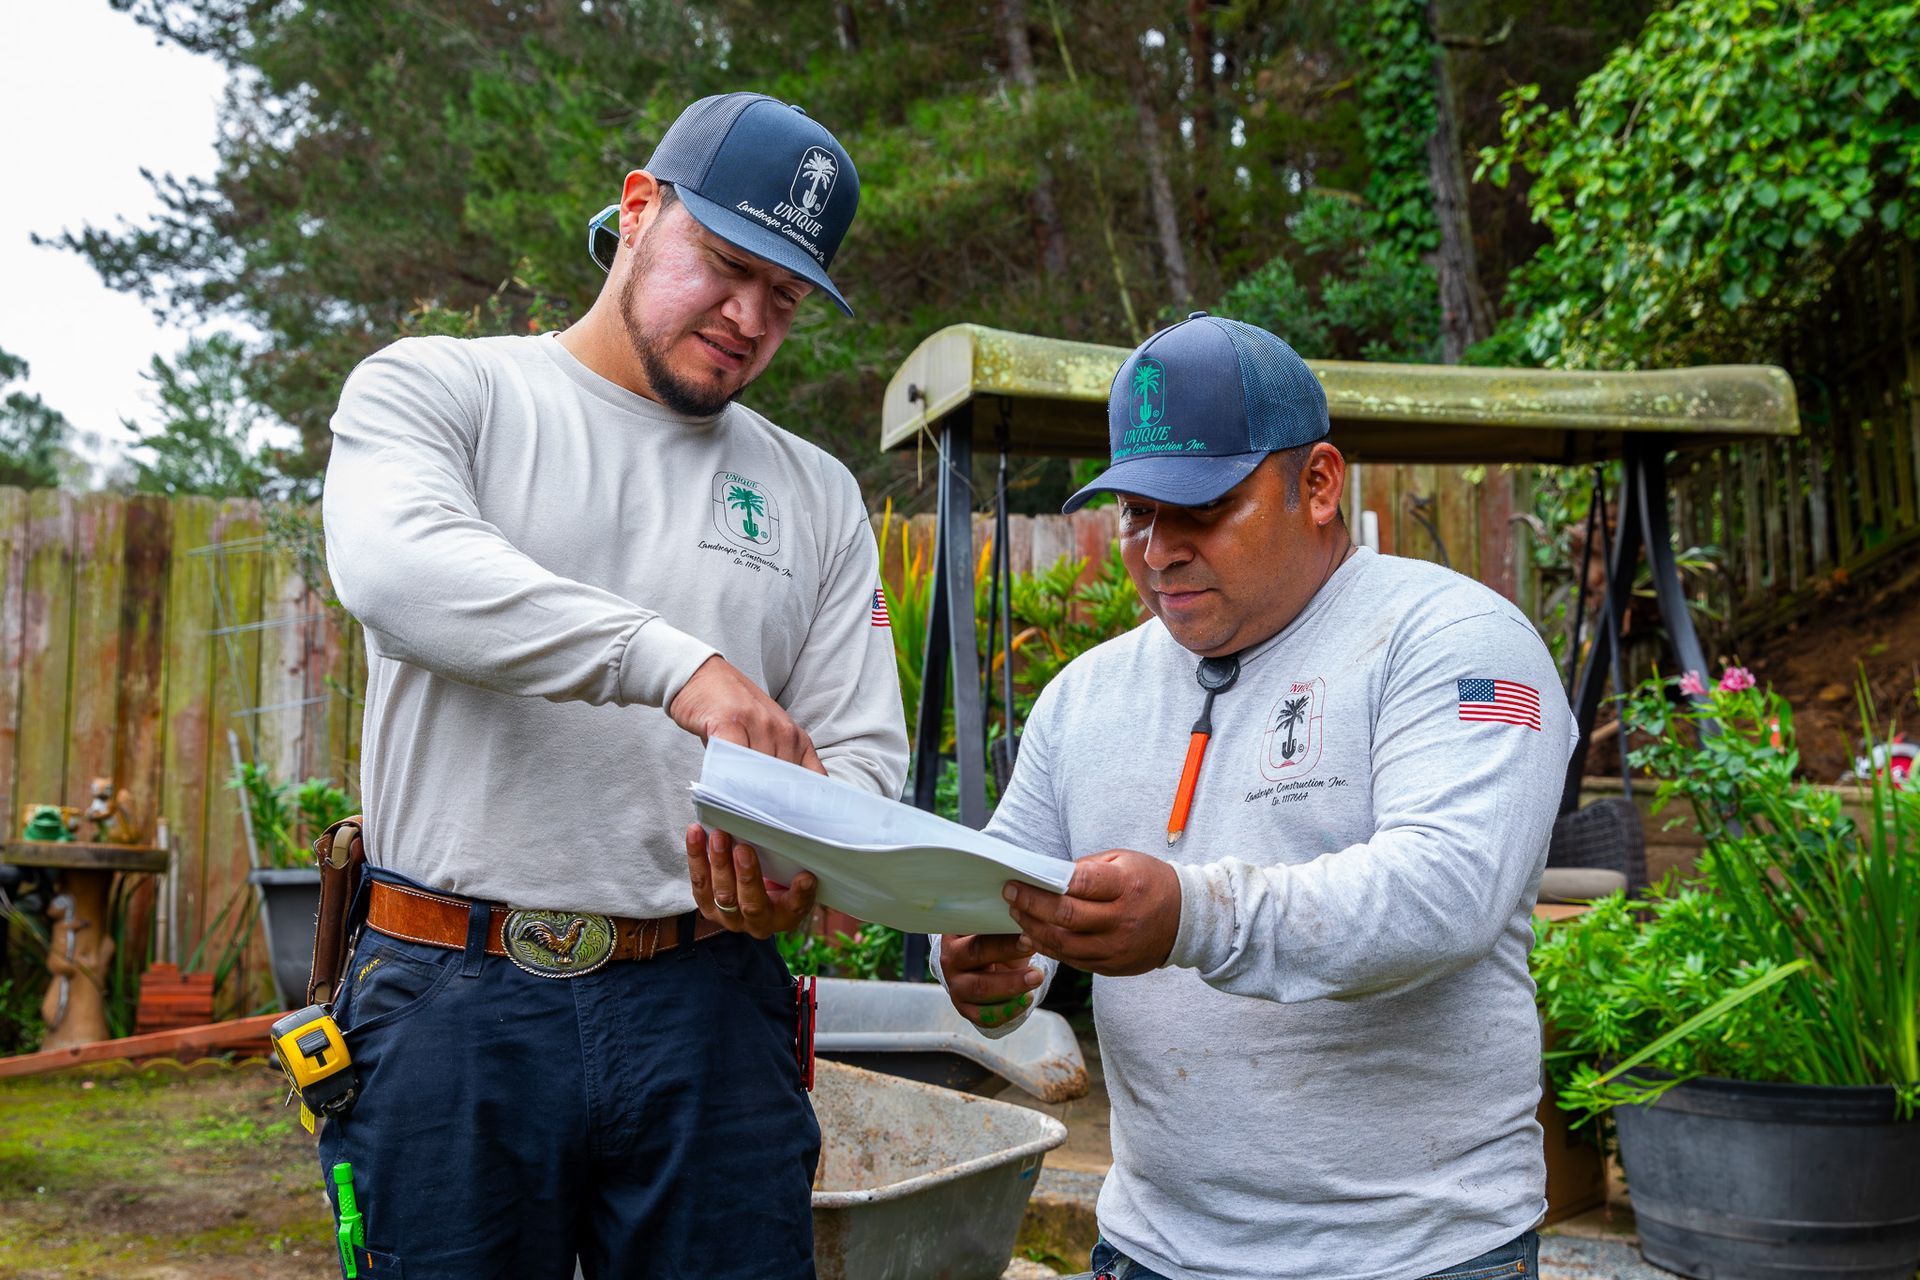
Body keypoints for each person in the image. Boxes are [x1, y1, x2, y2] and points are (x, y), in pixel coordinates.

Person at [318, 91, 907, 1279]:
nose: (747, 318)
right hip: (452, 996)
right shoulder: (445, 390)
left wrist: (809, 865)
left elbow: (862, 758)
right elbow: (399, 567)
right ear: (640, 207)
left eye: (785, 296)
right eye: (728, 266)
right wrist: (676, 662)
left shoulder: (814, 491)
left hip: (709, 1000)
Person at [935, 313, 1574, 1280]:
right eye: (1139, 511)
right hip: (1150, 1251)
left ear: (1317, 483)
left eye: (1201, 506)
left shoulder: (1451, 640)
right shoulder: (1084, 696)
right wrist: (984, 985)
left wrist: (1194, 914)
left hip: (1416, 1255)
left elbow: (1449, 892)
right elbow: (1001, 903)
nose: (1158, 550)